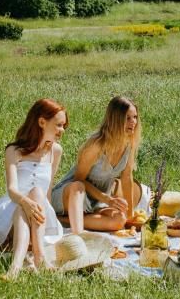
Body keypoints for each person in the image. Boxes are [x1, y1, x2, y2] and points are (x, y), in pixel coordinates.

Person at [0, 98, 68, 280]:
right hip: (13, 209)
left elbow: (47, 191)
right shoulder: (14, 151)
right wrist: (26, 203)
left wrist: (45, 213)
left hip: (39, 215)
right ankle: (39, 259)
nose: (62, 130)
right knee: (23, 207)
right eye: (59, 125)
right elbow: (12, 190)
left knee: (38, 193)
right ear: (41, 122)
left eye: (64, 126)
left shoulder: (56, 151)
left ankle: (15, 269)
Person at [52, 96, 140, 233]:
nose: (133, 122)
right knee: (78, 188)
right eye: (128, 118)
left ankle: (65, 220)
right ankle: (67, 217)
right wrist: (107, 199)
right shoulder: (97, 144)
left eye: (135, 117)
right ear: (116, 119)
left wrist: (131, 215)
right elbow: (78, 179)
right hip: (73, 194)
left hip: (98, 202)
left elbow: (127, 178)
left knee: (119, 220)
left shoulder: (129, 144)